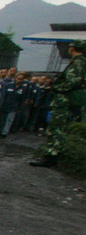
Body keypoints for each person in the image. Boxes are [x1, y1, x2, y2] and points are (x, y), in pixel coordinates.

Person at [31, 39, 86, 167]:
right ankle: (54, 155)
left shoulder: (78, 63)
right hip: (69, 100)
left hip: (65, 101)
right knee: (59, 128)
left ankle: (52, 156)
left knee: (56, 128)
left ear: (72, 48)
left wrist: (55, 88)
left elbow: (73, 83)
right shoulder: (80, 62)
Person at [0, 71, 29, 138]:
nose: (19, 80)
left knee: (9, 120)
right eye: (18, 78)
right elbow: (3, 95)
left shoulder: (23, 88)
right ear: (15, 78)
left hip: (14, 107)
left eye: (21, 79)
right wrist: (1, 104)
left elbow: (22, 99)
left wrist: (20, 108)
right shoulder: (8, 85)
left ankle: (4, 132)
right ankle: (0, 130)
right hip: (5, 105)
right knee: (2, 119)